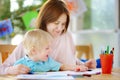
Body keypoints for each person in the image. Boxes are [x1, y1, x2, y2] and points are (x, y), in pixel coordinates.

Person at [0, 0, 96, 75]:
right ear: (45, 21)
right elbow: (3, 68)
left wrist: (83, 64)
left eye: (63, 24)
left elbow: (70, 58)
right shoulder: (33, 39)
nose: (60, 28)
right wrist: (11, 70)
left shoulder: (67, 36)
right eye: (56, 23)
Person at [14, 29, 85, 74]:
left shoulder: (48, 62)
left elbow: (62, 66)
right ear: (33, 51)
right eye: (47, 48)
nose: (51, 50)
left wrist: (76, 67)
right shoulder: (20, 64)